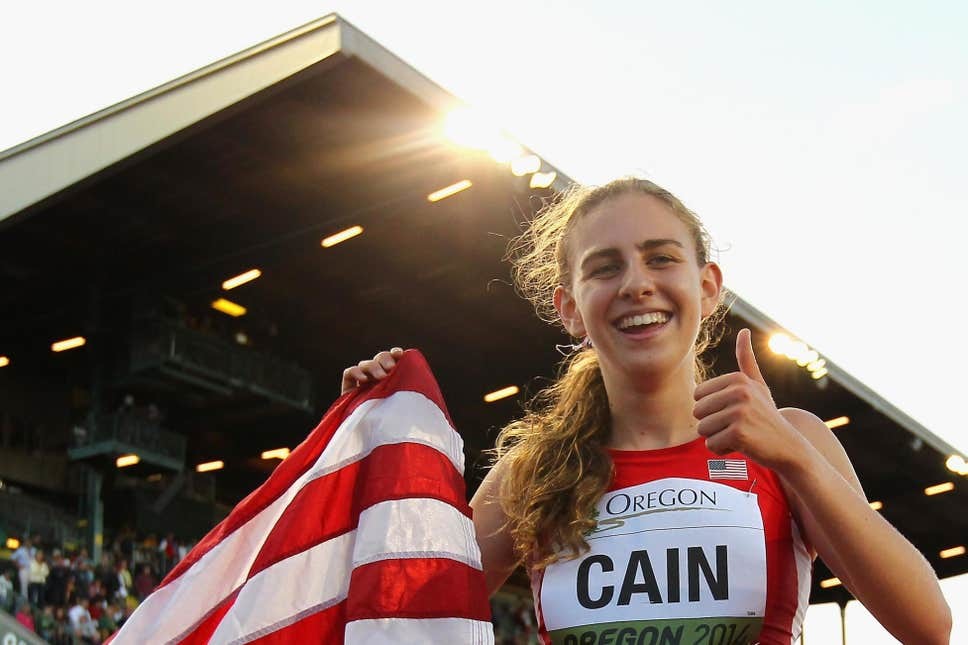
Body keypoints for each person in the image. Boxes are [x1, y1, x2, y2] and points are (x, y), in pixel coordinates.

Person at [342, 178, 951, 644]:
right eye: (605, 267)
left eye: (660, 258)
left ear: (707, 286)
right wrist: (365, 445)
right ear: (570, 308)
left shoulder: (791, 437)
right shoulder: (534, 469)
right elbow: (402, 619)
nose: (636, 283)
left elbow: (928, 627)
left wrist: (797, 460)